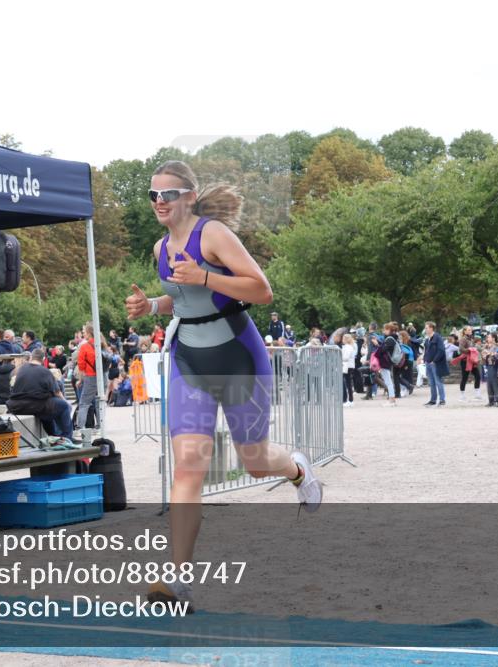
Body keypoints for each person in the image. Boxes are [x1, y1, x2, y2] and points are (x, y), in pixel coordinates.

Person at [124, 159, 322, 609]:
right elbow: (183, 300)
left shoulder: (212, 234)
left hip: (237, 355)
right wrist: (150, 306)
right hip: (189, 358)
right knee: (189, 464)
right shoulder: (159, 248)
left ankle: (295, 467)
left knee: (254, 461)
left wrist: (206, 275)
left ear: (189, 197)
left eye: (167, 194)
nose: (159, 202)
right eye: (153, 195)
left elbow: (261, 290)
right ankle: (177, 581)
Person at [7, 348, 75, 440]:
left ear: (31, 357)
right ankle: (67, 438)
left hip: (16, 406)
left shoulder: (22, 369)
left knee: (48, 410)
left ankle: (54, 436)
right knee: (63, 406)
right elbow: (57, 392)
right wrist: (66, 402)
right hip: (35, 405)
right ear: (43, 359)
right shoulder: (45, 371)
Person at [454, 325, 481, 402]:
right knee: (465, 377)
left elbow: (475, 347)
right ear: (465, 331)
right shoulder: (463, 339)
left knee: (478, 376)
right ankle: (462, 396)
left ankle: (477, 395)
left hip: (472, 360)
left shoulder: (472, 338)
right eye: (468, 330)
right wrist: (470, 350)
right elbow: (461, 349)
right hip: (465, 361)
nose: (470, 331)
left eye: (470, 330)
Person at [423, 321, 447, 407]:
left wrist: (434, 360)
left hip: (435, 363)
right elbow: (426, 351)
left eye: (426, 328)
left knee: (438, 382)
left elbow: (441, 350)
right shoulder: (427, 339)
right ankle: (433, 400)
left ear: (431, 328)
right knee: (431, 383)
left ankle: (442, 400)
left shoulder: (437, 337)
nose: (425, 329)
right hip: (428, 363)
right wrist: (425, 359)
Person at [481, 332, 498, 407]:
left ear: (493, 338)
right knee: (489, 383)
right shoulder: (488, 347)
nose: (487, 338)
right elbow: (484, 357)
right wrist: (484, 355)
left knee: (494, 383)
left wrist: (491, 354)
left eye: (489, 337)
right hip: (489, 366)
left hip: (495, 367)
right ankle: (491, 400)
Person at [340, 332, 355, 407]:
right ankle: (350, 400)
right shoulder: (347, 346)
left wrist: (340, 357)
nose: (342, 340)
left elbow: (346, 357)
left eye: (343, 338)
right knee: (348, 384)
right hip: (348, 366)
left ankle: (350, 400)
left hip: (348, 366)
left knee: (348, 384)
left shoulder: (348, 347)